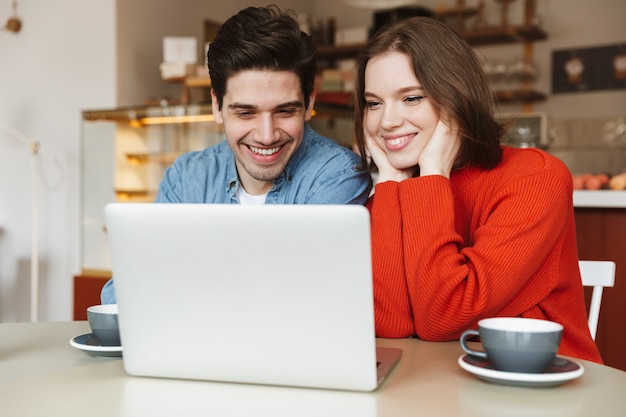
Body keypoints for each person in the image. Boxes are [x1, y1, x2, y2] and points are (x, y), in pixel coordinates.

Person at [353, 16, 602, 363]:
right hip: (440, 388)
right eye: (374, 103)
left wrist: (433, 174)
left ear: (455, 96)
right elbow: (390, 323)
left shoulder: (534, 177)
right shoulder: (391, 192)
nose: (386, 121)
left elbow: (444, 315)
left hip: (542, 389)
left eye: (411, 98)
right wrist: (392, 180)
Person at [101, 5, 372, 304]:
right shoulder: (188, 178)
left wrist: (184, 274)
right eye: (246, 112)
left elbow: (304, 298)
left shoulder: (337, 176)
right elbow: (121, 297)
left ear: (309, 103)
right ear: (217, 106)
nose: (266, 135)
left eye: (285, 111)